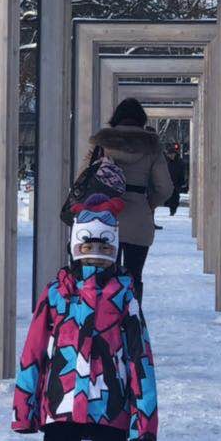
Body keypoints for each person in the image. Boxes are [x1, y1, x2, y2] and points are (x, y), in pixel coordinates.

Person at [12, 197, 158, 441]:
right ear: (74, 247)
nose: (95, 254)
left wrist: (146, 413)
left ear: (115, 248)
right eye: (87, 245)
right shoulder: (57, 293)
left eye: (104, 246)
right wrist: (24, 406)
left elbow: (140, 355)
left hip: (110, 400)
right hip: (62, 398)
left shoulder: (124, 295)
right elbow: (33, 350)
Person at [87, 98, 174, 301]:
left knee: (105, 276)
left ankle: (106, 322)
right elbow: (165, 187)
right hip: (139, 221)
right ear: (141, 120)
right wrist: (148, 204)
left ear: (115, 118)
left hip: (105, 220)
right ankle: (132, 322)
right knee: (134, 276)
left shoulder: (102, 144)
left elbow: (83, 177)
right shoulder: (152, 147)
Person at [164, 141, 186, 217]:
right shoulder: (166, 162)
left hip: (176, 183)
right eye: (170, 154)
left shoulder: (180, 162)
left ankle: (172, 210)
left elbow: (182, 173)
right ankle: (171, 208)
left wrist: (182, 182)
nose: (171, 156)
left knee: (175, 197)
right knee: (169, 197)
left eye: (172, 154)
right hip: (168, 182)